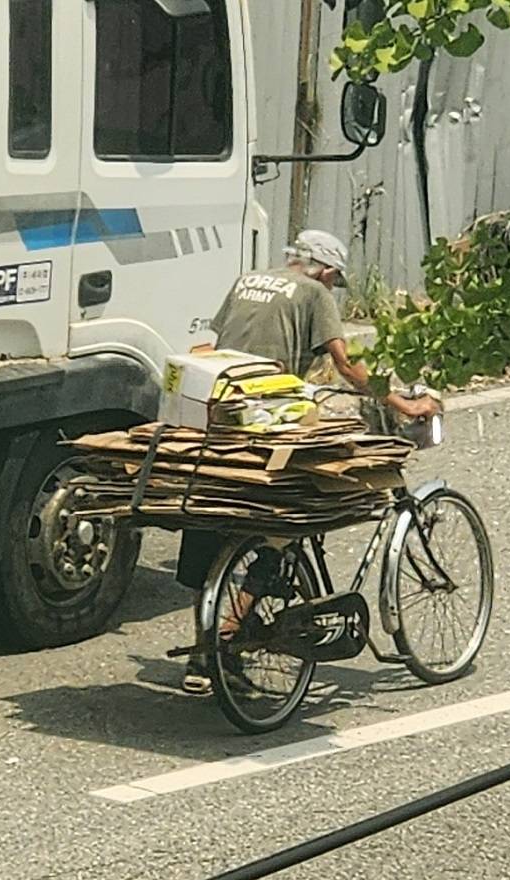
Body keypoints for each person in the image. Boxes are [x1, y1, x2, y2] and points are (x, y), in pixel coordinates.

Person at [178, 229, 439, 694]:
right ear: (327, 270)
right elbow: (345, 363)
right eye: (336, 280)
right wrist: (402, 403)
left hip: (219, 416)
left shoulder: (247, 280)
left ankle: (202, 656)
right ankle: (228, 633)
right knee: (287, 523)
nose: (333, 288)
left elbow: (218, 348)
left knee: (213, 520)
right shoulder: (315, 292)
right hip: (266, 417)